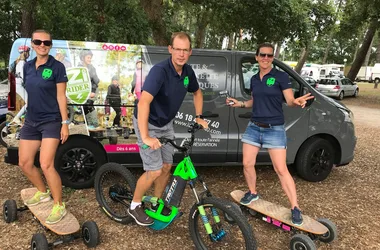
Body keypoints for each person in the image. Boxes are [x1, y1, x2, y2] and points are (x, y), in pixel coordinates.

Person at [226, 43, 314, 226]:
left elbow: (289, 100)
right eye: (262, 55)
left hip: (274, 128)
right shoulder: (254, 79)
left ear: (272, 58)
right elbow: (254, 101)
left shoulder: (280, 76)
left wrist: (296, 101)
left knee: (281, 170)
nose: (266, 58)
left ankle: (295, 207)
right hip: (254, 127)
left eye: (269, 56)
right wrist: (240, 104)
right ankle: (252, 192)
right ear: (256, 57)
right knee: (247, 164)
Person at [127, 32, 208, 226]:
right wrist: (145, 136)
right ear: (170, 49)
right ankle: (134, 205)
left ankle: (155, 202)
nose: (181, 54)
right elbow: (144, 102)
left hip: (166, 124)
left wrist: (199, 116)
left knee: (166, 166)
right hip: (147, 123)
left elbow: (197, 93)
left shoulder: (187, 72)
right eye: (177, 49)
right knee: (154, 170)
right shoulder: (160, 71)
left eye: (185, 50)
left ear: (190, 52)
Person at [18, 29, 70, 224]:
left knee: (46, 164)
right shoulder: (27, 67)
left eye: (46, 43)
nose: (42, 45)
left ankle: (58, 205)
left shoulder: (57, 67)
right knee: (25, 163)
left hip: (51, 121)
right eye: (38, 42)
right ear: (32, 44)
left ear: (50, 45)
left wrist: (64, 123)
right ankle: (42, 192)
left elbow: (60, 96)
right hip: (31, 121)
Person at [77, 49, 100, 129]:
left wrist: (93, 91)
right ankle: (85, 126)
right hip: (81, 92)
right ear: (83, 58)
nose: (90, 59)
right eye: (88, 58)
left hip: (90, 92)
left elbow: (96, 80)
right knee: (81, 109)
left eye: (90, 58)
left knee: (89, 105)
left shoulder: (92, 68)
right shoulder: (78, 68)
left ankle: (94, 125)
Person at [11, 45, 31, 124]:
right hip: (19, 84)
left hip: (18, 84)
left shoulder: (19, 62)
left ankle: (25, 116)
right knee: (29, 102)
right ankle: (17, 117)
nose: (29, 54)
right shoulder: (22, 63)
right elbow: (23, 76)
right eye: (28, 52)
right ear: (25, 53)